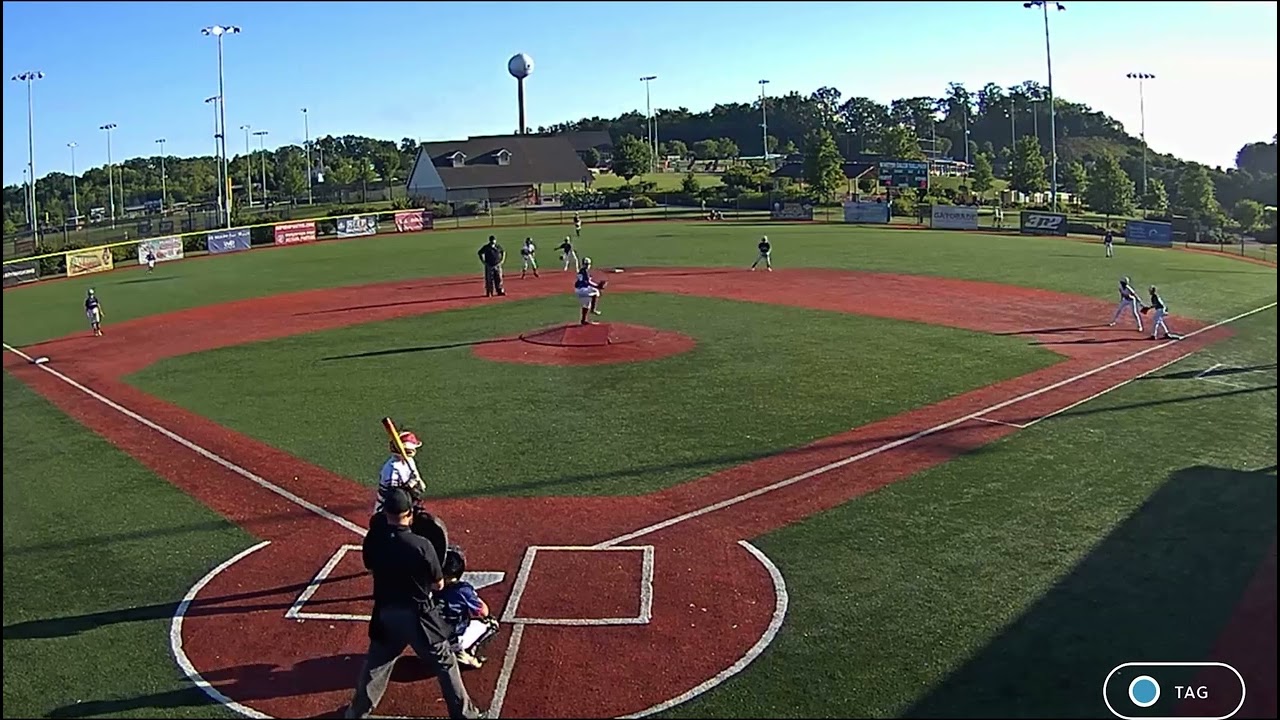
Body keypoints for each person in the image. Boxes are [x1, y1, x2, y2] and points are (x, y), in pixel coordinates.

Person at [345, 489, 484, 719]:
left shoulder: (374, 539)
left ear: (385, 511)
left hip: (385, 613)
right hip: (419, 618)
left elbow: (370, 567)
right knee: (445, 664)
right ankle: (465, 716)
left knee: (376, 665)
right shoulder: (422, 546)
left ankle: (355, 713)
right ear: (409, 514)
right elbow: (439, 585)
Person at [438, 545, 500, 669]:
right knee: (491, 624)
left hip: (427, 637)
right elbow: (483, 612)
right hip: (452, 638)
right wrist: (472, 598)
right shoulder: (462, 590)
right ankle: (466, 654)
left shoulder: (425, 584)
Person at [376, 430, 426, 513]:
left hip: (406, 501)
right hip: (388, 508)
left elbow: (414, 474)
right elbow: (393, 494)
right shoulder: (392, 468)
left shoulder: (409, 460)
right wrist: (411, 484)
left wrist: (419, 481)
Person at [574, 257, 606, 325]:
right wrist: (598, 286)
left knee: (586, 304)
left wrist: (597, 285)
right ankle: (593, 310)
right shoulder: (585, 271)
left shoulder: (582, 271)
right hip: (582, 289)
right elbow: (588, 282)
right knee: (596, 292)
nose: (588, 266)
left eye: (588, 264)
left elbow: (588, 282)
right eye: (587, 264)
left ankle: (583, 320)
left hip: (579, 289)